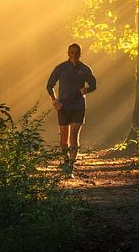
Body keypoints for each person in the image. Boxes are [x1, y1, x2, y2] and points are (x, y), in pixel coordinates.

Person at [46, 43, 96, 177]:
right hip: (63, 106)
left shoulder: (85, 69)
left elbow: (93, 85)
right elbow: (49, 86)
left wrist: (86, 90)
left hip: (78, 106)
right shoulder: (60, 68)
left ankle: (71, 167)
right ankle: (66, 161)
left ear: (80, 54)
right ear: (68, 53)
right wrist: (54, 101)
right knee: (64, 138)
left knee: (74, 135)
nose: (74, 55)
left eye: (76, 52)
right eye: (72, 52)